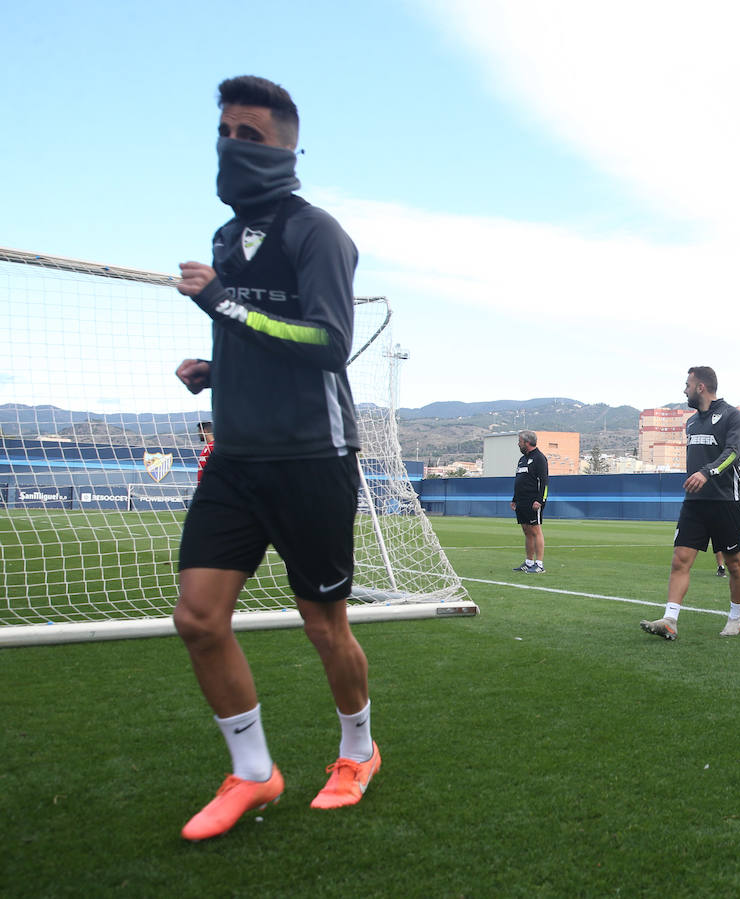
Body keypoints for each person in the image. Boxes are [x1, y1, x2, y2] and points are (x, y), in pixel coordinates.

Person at [172, 76, 378, 841]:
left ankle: (358, 750)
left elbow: (327, 344)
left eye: (249, 136)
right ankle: (254, 771)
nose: (232, 146)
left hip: (310, 457)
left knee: (323, 625)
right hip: (236, 458)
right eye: (225, 133)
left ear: (287, 148)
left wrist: (221, 302)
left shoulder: (317, 232)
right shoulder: (226, 238)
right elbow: (256, 333)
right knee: (198, 618)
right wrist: (216, 369)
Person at [641, 366, 740, 639]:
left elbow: (733, 453)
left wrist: (707, 472)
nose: (684, 390)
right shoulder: (690, 422)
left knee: (734, 564)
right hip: (695, 503)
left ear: (701, 387)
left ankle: (735, 619)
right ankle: (670, 620)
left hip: (725, 502)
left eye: (688, 385)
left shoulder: (733, 415)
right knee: (680, 560)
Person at [510, 430, 548, 573]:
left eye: (520, 441)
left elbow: (544, 482)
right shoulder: (522, 459)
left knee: (535, 530)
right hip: (521, 501)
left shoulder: (539, 458)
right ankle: (529, 562)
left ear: (527, 442)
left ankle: (539, 564)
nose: (518, 444)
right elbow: (519, 481)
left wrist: (540, 500)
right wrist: (514, 499)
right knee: (526, 531)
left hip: (533, 502)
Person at [196, 421, 215, 485]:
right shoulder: (207, 447)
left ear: (204, 431)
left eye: (199, 431)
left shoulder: (214, 447)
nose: (198, 434)